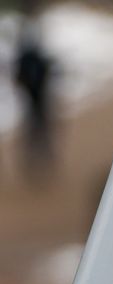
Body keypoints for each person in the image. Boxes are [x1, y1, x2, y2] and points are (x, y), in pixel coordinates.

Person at [12, 19, 55, 179]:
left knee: (38, 131)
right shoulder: (30, 58)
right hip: (33, 101)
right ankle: (37, 160)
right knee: (37, 131)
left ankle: (41, 159)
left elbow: (20, 78)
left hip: (35, 100)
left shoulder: (29, 58)